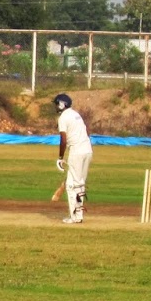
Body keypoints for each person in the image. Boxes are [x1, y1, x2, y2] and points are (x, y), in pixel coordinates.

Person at [54, 92, 92, 223]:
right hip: (87, 149)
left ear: (61, 105)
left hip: (76, 151)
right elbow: (87, 132)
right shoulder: (76, 114)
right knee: (80, 183)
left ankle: (75, 217)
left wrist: (60, 157)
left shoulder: (63, 118)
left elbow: (63, 139)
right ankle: (79, 215)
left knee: (71, 185)